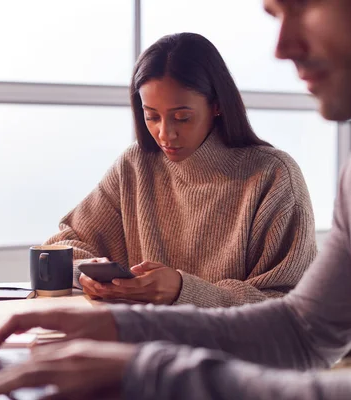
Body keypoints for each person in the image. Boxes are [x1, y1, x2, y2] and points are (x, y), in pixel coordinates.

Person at [0, 0, 351, 397]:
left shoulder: (273, 173)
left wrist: (146, 366)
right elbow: (303, 331)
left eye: (306, 5)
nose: (282, 47)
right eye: (275, 13)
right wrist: (120, 328)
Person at [43, 32, 317, 307]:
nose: (165, 134)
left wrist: (182, 292)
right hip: (141, 344)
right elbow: (63, 245)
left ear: (217, 105)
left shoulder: (274, 176)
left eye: (182, 118)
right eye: (151, 116)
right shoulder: (135, 166)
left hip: (229, 349)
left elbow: (289, 306)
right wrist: (84, 273)